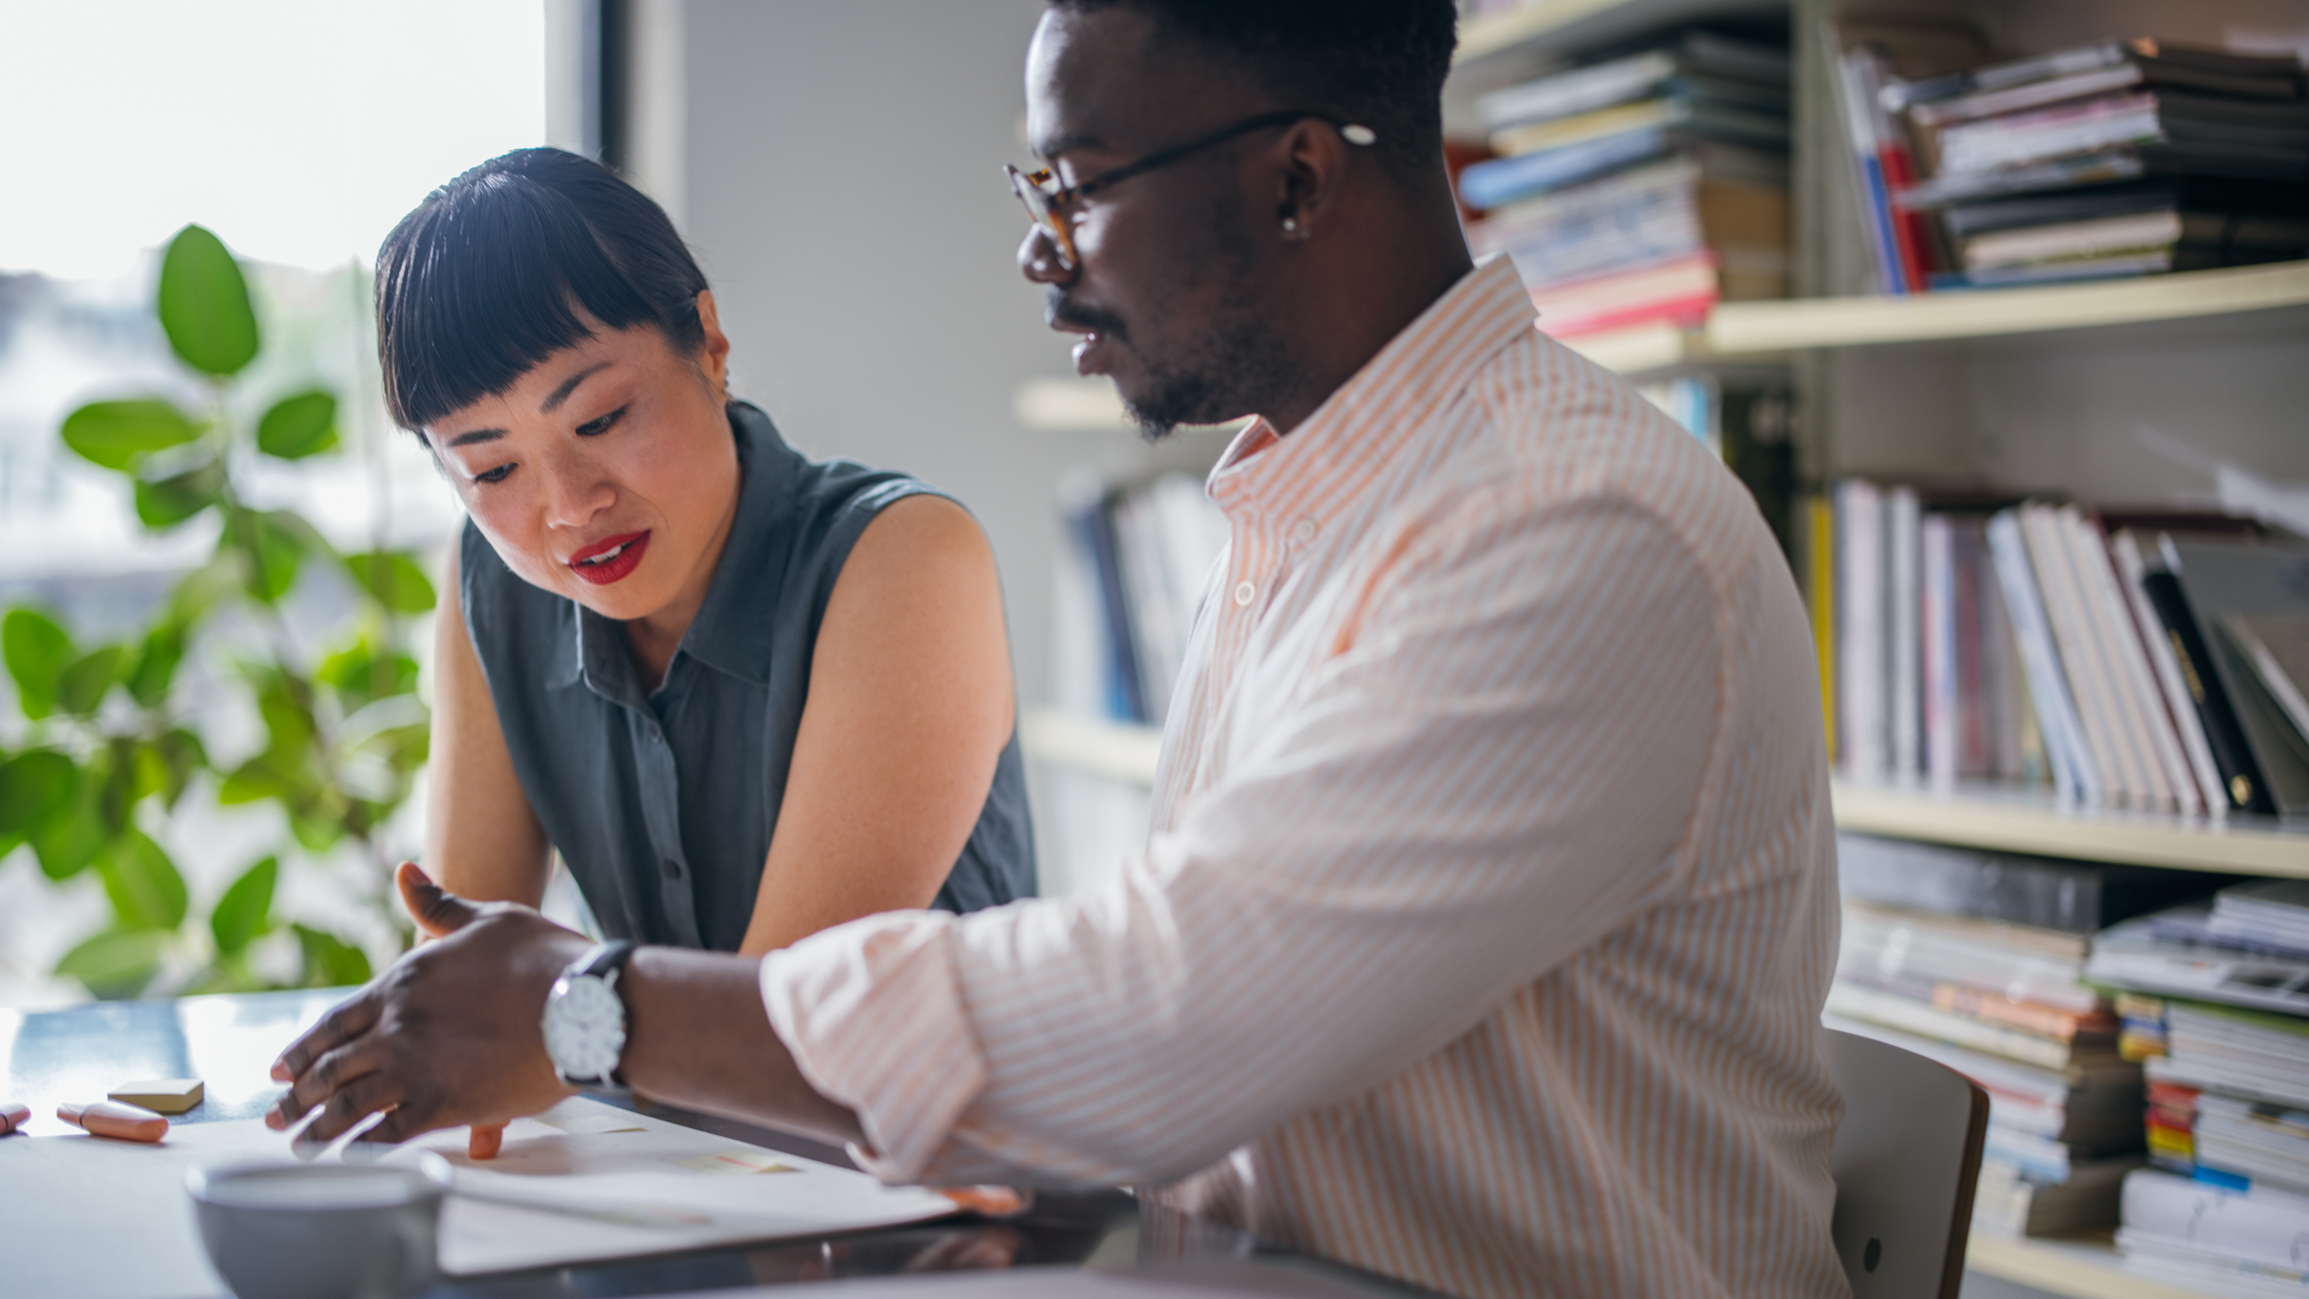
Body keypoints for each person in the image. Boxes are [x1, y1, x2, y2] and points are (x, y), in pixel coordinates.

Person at [271, 6, 1847, 1296]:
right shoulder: (1321, 514)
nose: (1040, 254)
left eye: (1079, 187)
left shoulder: (1566, 532)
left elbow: (1168, 1022)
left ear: (1297, 179)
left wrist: (581, 1007)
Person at [377, 152, 1033, 969]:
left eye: (602, 418)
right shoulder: (493, 579)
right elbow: (461, 987)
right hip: (645, 1103)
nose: (572, 507)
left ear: (711, 345)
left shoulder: (908, 558)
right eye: (494, 470)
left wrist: (551, 1020)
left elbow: (782, 1030)